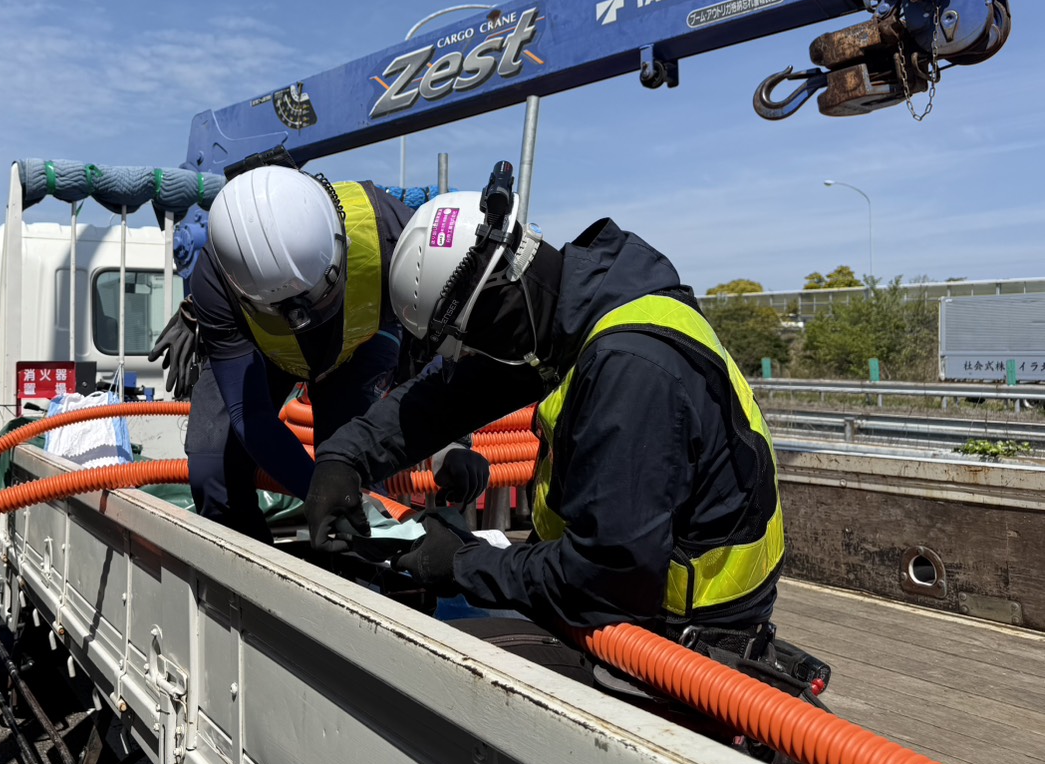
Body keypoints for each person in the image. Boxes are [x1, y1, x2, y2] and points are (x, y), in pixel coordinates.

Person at [304, 161, 784, 646]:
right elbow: (447, 399)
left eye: (466, 347)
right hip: (627, 587)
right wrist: (346, 457)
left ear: (495, 308)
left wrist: (459, 561)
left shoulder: (628, 368)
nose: (471, 361)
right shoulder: (572, 310)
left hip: (684, 630)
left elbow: (610, 578)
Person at [151, 163, 486, 542]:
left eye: (316, 298)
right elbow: (250, 416)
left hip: (359, 343)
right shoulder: (216, 278)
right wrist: (318, 490)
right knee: (215, 470)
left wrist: (454, 441)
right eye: (287, 310)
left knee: (357, 460)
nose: (303, 323)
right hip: (260, 352)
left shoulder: (394, 236)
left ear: (337, 245)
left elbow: (438, 345)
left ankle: (358, 571)